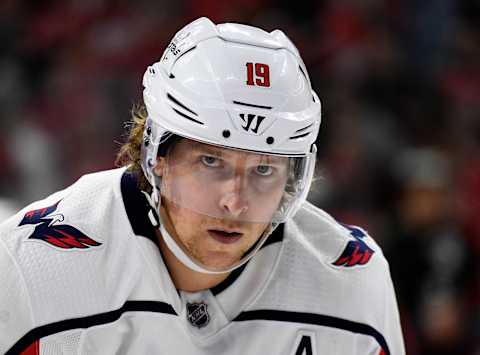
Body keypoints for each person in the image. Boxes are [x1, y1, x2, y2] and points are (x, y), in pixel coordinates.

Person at [0, 17, 405, 355]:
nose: (235, 202)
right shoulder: (32, 267)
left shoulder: (349, 279)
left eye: (264, 170)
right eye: (211, 162)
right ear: (156, 156)